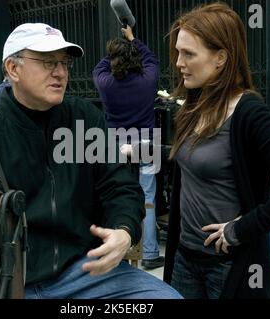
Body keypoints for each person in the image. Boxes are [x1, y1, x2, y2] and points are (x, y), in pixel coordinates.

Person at [0, 23, 181, 299]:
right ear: (13, 69)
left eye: (64, 63)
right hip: (15, 281)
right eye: (48, 62)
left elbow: (120, 186)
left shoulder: (84, 120)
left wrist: (123, 230)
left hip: (85, 271)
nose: (60, 72)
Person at [162, 2, 270, 299]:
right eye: (178, 52)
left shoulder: (250, 113)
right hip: (185, 260)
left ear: (221, 57)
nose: (179, 63)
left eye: (188, 54)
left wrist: (241, 228)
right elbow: (196, 161)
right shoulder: (194, 106)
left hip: (229, 267)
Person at [93, 26, 164, 270]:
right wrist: (133, 40)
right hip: (146, 144)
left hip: (116, 144)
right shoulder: (148, 80)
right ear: (134, 59)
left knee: (117, 193)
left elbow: (99, 67)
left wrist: (115, 49)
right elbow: (151, 58)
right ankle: (151, 253)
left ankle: (118, 250)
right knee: (148, 198)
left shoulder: (105, 83)